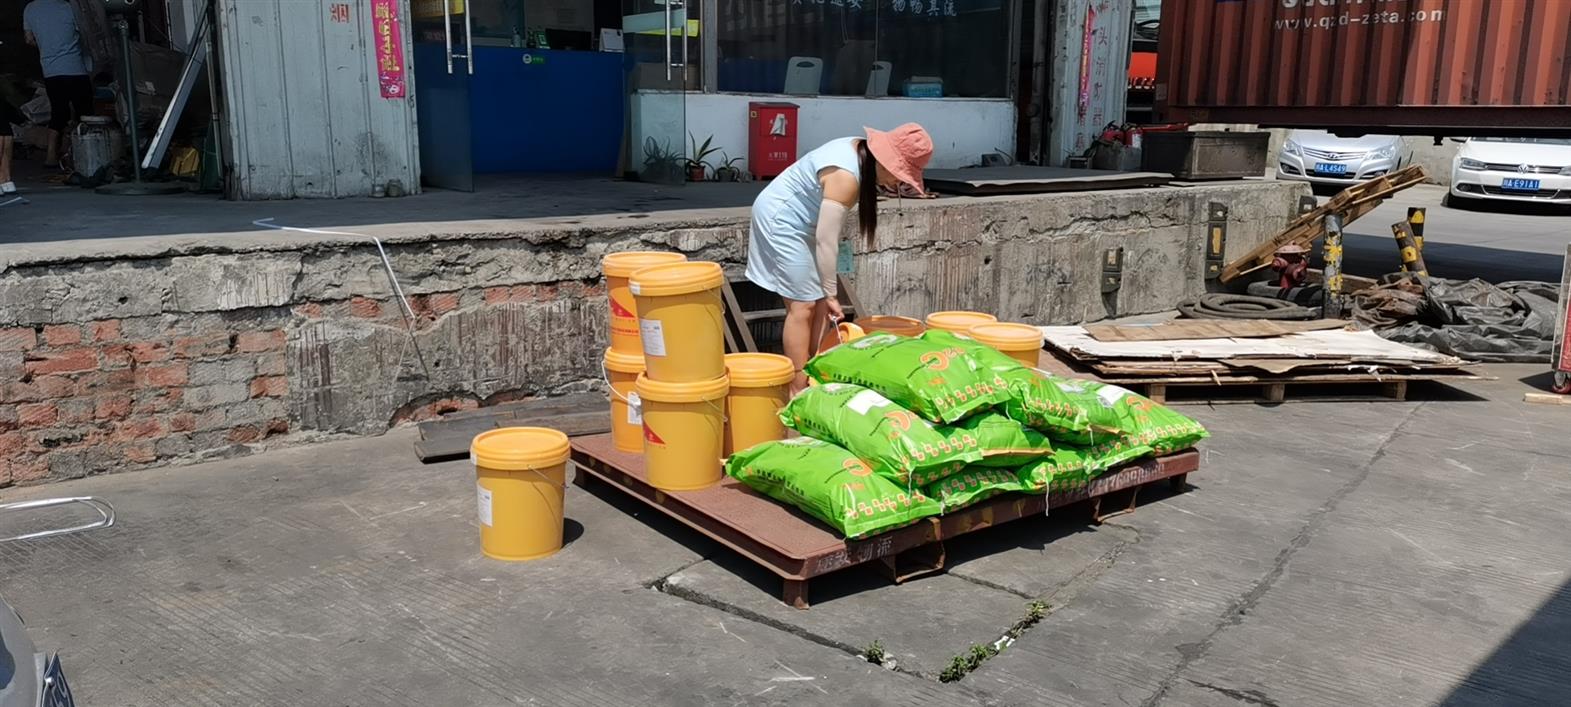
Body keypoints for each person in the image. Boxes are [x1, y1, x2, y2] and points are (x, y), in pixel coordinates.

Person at [744, 123, 934, 392]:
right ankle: (797, 387)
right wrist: (832, 291)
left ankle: (815, 370)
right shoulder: (846, 175)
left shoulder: (862, 154)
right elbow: (826, 239)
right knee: (803, 306)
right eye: (900, 174)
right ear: (884, 160)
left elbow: (827, 235)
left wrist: (828, 293)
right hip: (782, 221)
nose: (898, 182)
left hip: (810, 225)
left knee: (821, 303)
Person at [24, 0, 94, 168]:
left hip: (51, 70)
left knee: (58, 112)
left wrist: (47, 46)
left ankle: (50, 155)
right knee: (84, 113)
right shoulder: (69, 8)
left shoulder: (30, 8)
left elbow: (29, 39)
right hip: (75, 68)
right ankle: (83, 154)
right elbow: (85, 34)